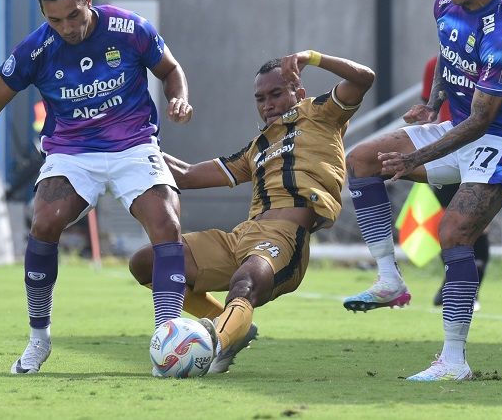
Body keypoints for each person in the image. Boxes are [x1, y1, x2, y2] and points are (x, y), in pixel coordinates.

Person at [0, 0, 194, 375]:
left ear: (88, 1)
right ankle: (39, 339)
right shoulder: (34, 51)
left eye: (73, 15)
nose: (67, 27)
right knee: (44, 223)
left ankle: (167, 339)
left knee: (166, 222)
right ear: (44, 16)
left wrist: (178, 98)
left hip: (133, 144)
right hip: (72, 152)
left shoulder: (129, 29)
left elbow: (170, 70)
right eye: (55, 20)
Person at [342, 0, 502, 381]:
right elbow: (447, 52)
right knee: (362, 159)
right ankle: (389, 280)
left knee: (453, 232)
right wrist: (432, 103)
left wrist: (415, 159)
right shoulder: (446, 4)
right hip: (459, 126)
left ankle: (454, 361)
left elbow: (482, 121)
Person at [129, 50, 374, 374]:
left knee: (244, 284)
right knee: (146, 262)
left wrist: (312, 57)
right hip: (240, 238)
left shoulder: (321, 113)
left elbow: (363, 78)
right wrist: (134, 146)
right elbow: (186, 175)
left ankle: (211, 345)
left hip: (284, 237)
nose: (267, 104)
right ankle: (230, 325)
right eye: (260, 98)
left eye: (276, 94)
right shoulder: (256, 147)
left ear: (298, 92)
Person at [421, 55, 491, 309]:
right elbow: (429, 104)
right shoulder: (436, 64)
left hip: (482, 148)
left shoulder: (493, 59)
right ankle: (452, 282)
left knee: (475, 223)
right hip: (447, 150)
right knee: (448, 223)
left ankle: (471, 290)